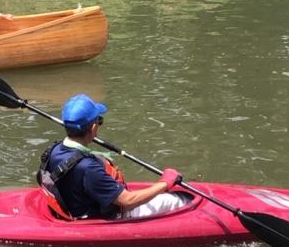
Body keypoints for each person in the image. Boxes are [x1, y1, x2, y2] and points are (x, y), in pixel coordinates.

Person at [38, 94, 189, 219]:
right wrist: (165, 183)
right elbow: (127, 201)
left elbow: (74, 167)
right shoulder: (89, 169)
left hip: (77, 205)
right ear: (93, 127)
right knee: (180, 200)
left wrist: (98, 157)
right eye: (99, 120)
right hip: (105, 216)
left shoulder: (54, 150)